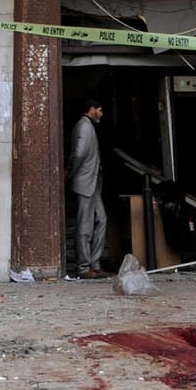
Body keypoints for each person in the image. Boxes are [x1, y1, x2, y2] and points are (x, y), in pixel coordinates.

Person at [69, 97, 108, 278]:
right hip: (85, 182)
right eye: (99, 110)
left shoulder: (88, 126)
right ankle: (84, 268)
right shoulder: (84, 126)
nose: (101, 114)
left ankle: (94, 263)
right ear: (92, 109)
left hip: (92, 183)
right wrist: (70, 174)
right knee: (85, 225)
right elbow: (79, 154)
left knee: (101, 219)